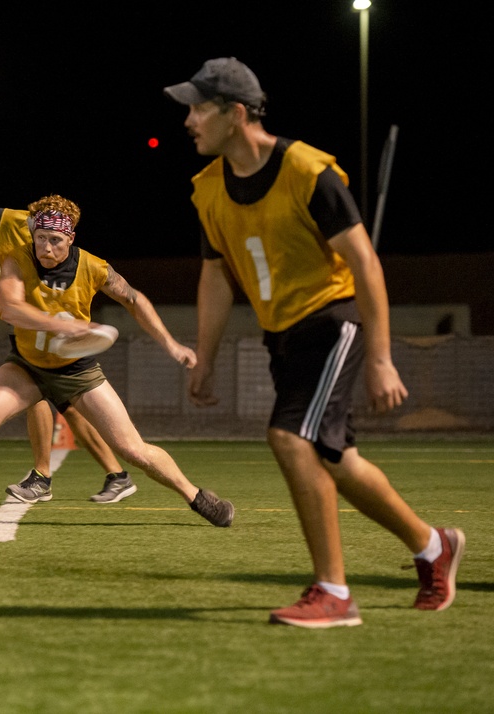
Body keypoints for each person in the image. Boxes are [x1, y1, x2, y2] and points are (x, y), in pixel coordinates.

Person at [164, 57, 464, 628]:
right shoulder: (207, 190)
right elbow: (215, 277)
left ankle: (334, 592)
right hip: (283, 336)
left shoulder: (307, 171)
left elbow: (365, 264)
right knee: (338, 458)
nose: (189, 121)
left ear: (235, 114)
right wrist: (205, 356)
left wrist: (380, 356)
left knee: (290, 437)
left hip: (333, 320)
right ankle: (433, 547)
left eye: (199, 108)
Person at [0, 194, 235, 529]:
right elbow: (10, 308)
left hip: (77, 371)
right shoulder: (15, 258)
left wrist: (171, 345)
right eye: (41, 238)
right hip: (27, 366)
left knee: (132, 448)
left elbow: (134, 300)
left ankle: (197, 498)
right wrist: (65, 326)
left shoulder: (92, 267)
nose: (46, 248)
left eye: (56, 241)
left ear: (71, 238)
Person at [0, 175, 137, 506]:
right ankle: (116, 475)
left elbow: (63, 247)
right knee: (67, 407)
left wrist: (75, 299)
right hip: (27, 330)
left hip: (57, 325)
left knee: (47, 398)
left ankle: (43, 477)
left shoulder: (17, 222)